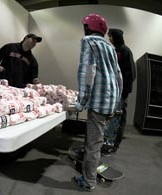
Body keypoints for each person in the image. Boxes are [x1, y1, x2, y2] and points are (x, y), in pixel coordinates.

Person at [65, 14, 123, 191]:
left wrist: (80, 103)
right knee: (96, 141)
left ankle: (89, 181)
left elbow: (87, 73)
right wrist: (116, 100)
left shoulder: (88, 41)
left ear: (89, 28)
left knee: (93, 145)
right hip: (111, 102)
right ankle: (89, 171)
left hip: (98, 103)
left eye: (85, 26)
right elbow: (119, 76)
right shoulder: (110, 47)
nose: (84, 28)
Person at [104, 28, 136, 154]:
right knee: (113, 118)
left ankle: (113, 145)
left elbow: (131, 73)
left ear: (115, 37)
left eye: (110, 36)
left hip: (121, 92)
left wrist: (123, 90)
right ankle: (108, 142)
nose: (109, 39)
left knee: (118, 118)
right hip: (115, 91)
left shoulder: (125, 50)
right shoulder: (115, 50)